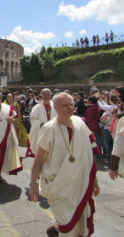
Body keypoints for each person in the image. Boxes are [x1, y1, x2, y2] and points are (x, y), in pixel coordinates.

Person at [29, 92, 100, 237]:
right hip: (58, 186)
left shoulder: (80, 124)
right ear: (56, 107)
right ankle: (58, 228)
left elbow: (88, 155)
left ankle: (55, 229)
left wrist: (95, 180)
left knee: (78, 221)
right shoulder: (49, 129)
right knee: (67, 224)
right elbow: (39, 159)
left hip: (79, 183)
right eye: (65, 105)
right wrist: (32, 183)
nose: (70, 108)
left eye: (71, 104)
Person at [26, 88, 56, 157]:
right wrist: (41, 124)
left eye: (48, 95)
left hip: (53, 132)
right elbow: (32, 120)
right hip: (41, 133)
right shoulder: (37, 107)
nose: (46, 97)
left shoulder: (55, 106)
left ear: (50, 96)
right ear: (41, 96)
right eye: (44, 95)